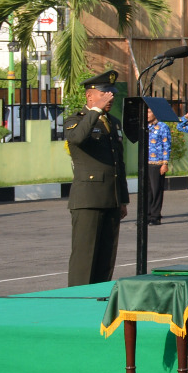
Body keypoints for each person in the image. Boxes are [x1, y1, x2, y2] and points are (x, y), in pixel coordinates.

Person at [64, 69, 128, 286]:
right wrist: (95, 111)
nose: (110, 98)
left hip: (111, 199)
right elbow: (77, 139)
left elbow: (118, 162)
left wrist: (122, 199)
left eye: (111, 93)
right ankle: (77, 302)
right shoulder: (76, 120)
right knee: (85, 258)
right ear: (90, 96)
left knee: (106, 258)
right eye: (104, 94)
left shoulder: (114, 122)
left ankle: (99, 299)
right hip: (88, 200)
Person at [145, 105, 170, 225]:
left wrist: (165, 163)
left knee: (156, 190)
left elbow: (166, 146)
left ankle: (155, 216)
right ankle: (147, 215)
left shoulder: (162, 127)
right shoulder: (145, 127)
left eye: (149, 112)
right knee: (147, 191)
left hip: (158, 163)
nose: (147, 114)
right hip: (146, 163)